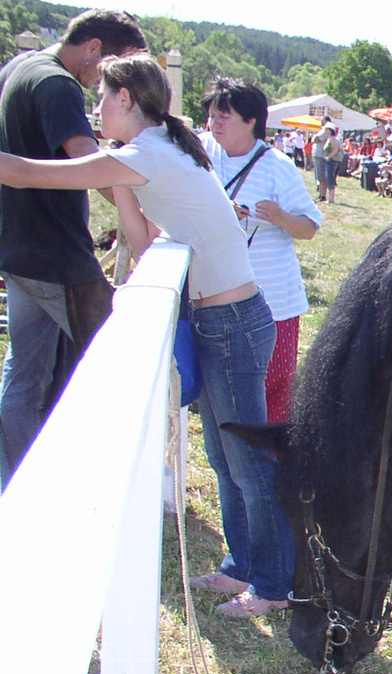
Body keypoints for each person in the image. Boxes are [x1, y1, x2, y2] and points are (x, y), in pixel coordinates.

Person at [0, 55, 295, 619]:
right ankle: (242, 567)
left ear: (127, 100)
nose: (96, 108)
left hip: (232, 322)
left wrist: (113, 170)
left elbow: (22, 173)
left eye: (105, 99)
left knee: (246, 459)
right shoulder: (155, 152)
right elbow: (139, 242)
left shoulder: (149, 154)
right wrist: (120, 185)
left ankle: (274, 583)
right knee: (224, 453)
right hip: (223, 318)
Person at [0, 8, 146, 487]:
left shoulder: (17, 68)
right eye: (112, 67)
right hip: (56, 255)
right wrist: (143, 216)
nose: (109, 82)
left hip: (18, 250)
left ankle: (19, 478)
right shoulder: (58, 84)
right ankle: (109, 479)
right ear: (93, 48)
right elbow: (89, 161)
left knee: (23, 373)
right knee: (116, 363)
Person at [200, 79, 321, 425]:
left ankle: (272, 459)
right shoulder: (202, 152)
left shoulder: (277, 165)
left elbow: (310, 228)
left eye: (224, 117)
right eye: (212, 116)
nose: (215, 124)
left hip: (273, 301)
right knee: (225, 388)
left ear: (251, 121)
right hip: (216, 294)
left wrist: (280, 217)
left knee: (274, 387)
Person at [312, 118, 341, 204]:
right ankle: (321, 195)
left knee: (324, 177)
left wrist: (328, 156)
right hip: (321, 156)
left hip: (324, 157)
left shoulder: (331, 137)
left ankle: (325, 196)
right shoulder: (327, 135)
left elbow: (316, 139)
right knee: (320, 177)